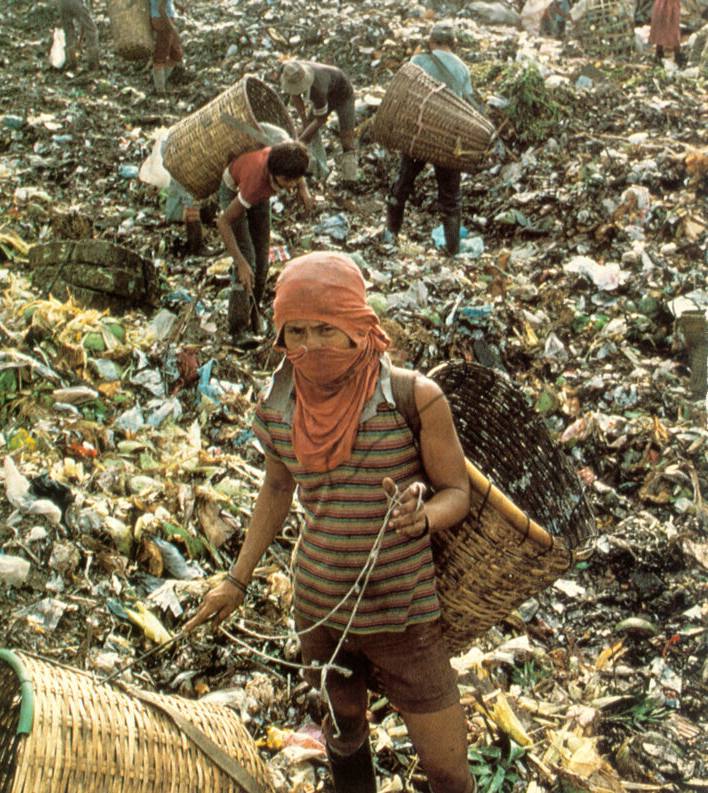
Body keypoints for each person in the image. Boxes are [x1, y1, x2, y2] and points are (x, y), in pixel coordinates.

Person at [190, 251, 474, 793]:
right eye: (294, 331)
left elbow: (456, 492)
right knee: (345, 744)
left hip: (404, 615)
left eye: (326, 329)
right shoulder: (280, 403)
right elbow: (277, 488)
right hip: (321, 612)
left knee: (449, 772)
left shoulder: (413, 397)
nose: (309, 347)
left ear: (359, 326)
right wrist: (237, 579)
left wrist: (424, 516)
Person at [382, 20, 479, 255]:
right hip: (448, 139)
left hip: (418, 135)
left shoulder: (419, 61)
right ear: (455, 43)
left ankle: (390, 238)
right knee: (450, 194)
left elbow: (403, 94)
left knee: (403, 183)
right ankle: (453, 250)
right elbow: (466, 104)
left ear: (431, 40)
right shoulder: (462, 68)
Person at [217, 141, 312, 343]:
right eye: (290, 181)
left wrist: (303, 188)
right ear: (277, 175)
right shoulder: (254, 184)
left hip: (261, 194)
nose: (292, 185)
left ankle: (255, 313)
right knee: (248, 262)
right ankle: (238, 329)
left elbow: (297, 170)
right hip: (234, 190)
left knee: (262, 263)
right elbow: (223, 222)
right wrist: (240, 263)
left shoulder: (284, 156)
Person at [281, 61, 358, 182]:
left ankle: (350, 180)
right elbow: (295, 96)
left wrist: (301, 141)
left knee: (347, 141)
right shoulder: (292, 72)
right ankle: (307, 170)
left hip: (344, 95)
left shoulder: (318, 89)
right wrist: (305, 121)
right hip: (327, 90)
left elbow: (320, 120)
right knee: (304, 131)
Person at [150, 0, 183, 95]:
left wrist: (177, 5)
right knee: (160, 57)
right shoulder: (163, 18)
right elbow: (161, 9)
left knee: (176, 55)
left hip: (164, 20)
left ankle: (160, 84)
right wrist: (174, 32)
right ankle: (160, 92)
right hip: (163, 22)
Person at [58, 0, 99, 70]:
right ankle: (93, 62)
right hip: (76, 3)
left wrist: (80, 40)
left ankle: (71, 62)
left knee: (68, 32)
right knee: (91, 30)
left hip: (62, 3)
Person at [649, 0, 684, 67]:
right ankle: (659, 53)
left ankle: (677, 56)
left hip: (672, 3)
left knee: (673, 26)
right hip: (662, 3)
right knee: (660, 24)